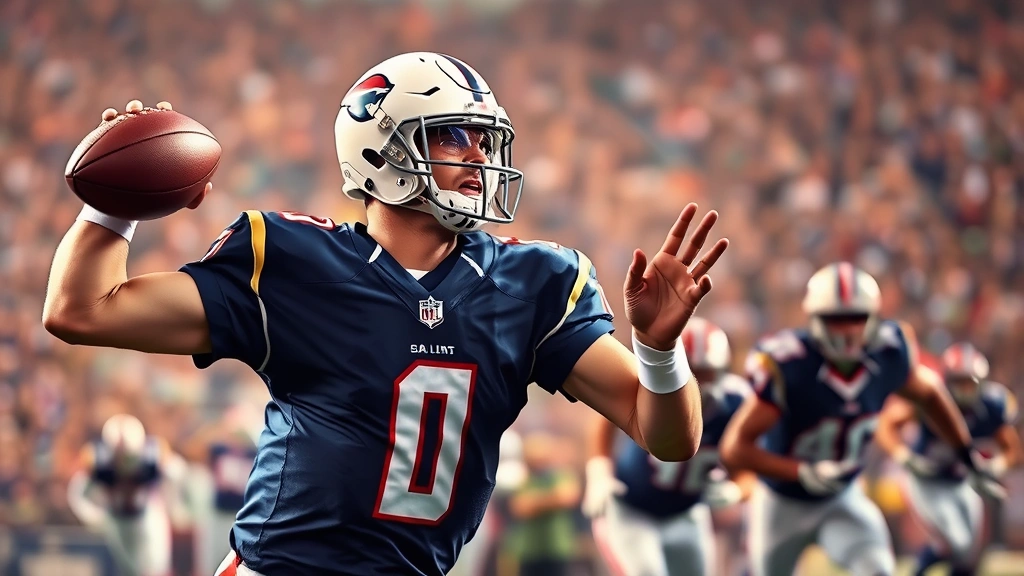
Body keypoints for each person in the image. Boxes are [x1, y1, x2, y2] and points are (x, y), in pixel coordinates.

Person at [43, 52, 727, 576]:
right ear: (383, 148)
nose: (479, 156)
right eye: (455, 134)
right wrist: (113, 204)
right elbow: (83, 310)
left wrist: (660, 352)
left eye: (485, 140)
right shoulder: (289, 259)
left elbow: (666, 436)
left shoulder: (534, 282)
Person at [719, 262, 995, 576]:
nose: (848, 330)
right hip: (782, 501)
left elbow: (931, 395)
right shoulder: (790, 366)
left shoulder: (889, 353)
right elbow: (734, 448)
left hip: (843, 495)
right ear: (815, 319)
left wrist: (964, 451)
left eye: (857, 318)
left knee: (878, 569)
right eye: (836, 319)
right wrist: (801, 471)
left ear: (874, 318)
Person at [583, 317, 753, 576]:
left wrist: (736, 491)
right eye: (691, 369)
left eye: (706, 371)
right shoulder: (651, 387)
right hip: (632, 509)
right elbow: (604, 418)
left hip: (687, 513)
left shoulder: (736, 402)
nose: (699, 382)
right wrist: (599, 471)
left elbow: (750, 464)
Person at [875, 342, 1020, 576]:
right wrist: (904, 456)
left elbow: (1012, 448)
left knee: (969, 553)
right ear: (947, 382)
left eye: (969, 383)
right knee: (956, 542)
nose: (964, 390)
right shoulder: (932, 400)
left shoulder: (992, 404)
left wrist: (996, 465)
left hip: (962, 483)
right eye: (958, 382)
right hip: (928, 481)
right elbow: (886, 424)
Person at [67, 414, 189, 576]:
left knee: (156, 568)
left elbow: (178, 474)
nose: (125, 463)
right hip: (116, 519)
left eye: (129, 457)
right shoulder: (98, 459)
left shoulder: (153, 454)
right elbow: (77, 492)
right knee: (128, 570)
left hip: (148, 515)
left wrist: (173, 504)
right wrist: (92, 515)